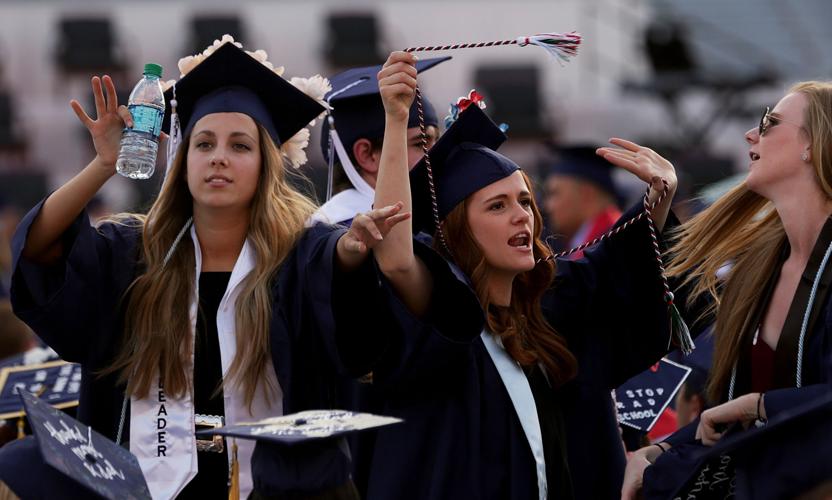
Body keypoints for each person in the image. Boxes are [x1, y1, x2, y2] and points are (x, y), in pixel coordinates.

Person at [3, 38, 424, 499]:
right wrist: (105, 165)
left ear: (265, 164)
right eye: (204, 143)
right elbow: (41, 249)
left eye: (240, 145)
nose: (219, 156)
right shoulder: (134, 258)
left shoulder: (301, 255)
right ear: (183, 161)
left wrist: (350, 252)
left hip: (278, 488)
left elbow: (353, 327)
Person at [353, 50, 689, 499]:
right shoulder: (444, 317)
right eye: (498, 206)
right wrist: (396, 120)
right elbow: (395, 258)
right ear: (457, 231)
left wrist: (658, 199)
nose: (523, 218)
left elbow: (619, 267)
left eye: (525, 202)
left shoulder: (553, 310)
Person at [622, 81, 832, 499]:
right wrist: (663, 449)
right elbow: (722, 414)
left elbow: (751, 408)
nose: (751, 134)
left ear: (814, 145)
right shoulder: (758, 267)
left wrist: (759, 406)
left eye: (769, 123)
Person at [312, 57, 449, 226]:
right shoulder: (341, 235)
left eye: (437, 140)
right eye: (420, 144)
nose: (437, 154)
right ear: (368, 155)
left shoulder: (430, 221)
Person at [542, 145, 622, 257]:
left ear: (587, 194)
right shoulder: (585, 244)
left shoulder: (618, 244)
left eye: (555, 193)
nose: (548, 207)